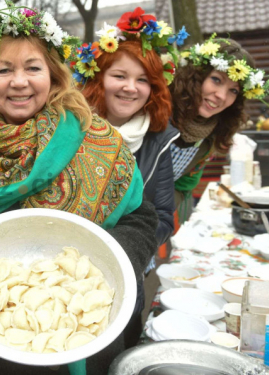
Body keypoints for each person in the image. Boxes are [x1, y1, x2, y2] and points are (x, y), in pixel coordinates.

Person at [0, 5, 158, 375]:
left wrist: (107, 262)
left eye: (32, 67)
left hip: (90, 333)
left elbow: (142, 217)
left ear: (54, 77)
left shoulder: (100, 141)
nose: (19, 81)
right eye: (4, 69)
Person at [74, 8, 184, 348]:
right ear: (98, 78)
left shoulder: (159, 139)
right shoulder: (70, 130)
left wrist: (123, 252)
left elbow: (164, 215)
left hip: (124, 270)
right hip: (65, 265)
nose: (130, 88)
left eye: (142, 80)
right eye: (119, 76)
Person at [170, 36, 267, 212]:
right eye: (216, 80)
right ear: (197, 75)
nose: (221, 96)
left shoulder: (209, 136)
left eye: (233, 90)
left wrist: (157, 220)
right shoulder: (158, 110)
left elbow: (183, 186)